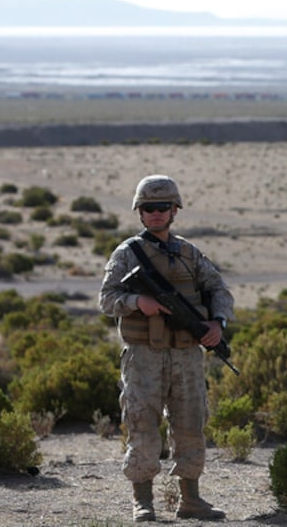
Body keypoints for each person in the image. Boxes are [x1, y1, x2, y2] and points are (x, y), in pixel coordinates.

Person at [99, 174, 233, 522]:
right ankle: (142, 502)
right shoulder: (127, 253)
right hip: (144, 354)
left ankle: (191, 499)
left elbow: (218, 289)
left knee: (191, 422)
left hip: (186, 354)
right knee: (142, 423)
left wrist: (217, 324)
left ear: (175, 210)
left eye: (163, 207)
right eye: (149, 208)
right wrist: (137, 300)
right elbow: (107, 298)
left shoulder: (189, 253)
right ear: (139, 212)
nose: (156, 213)